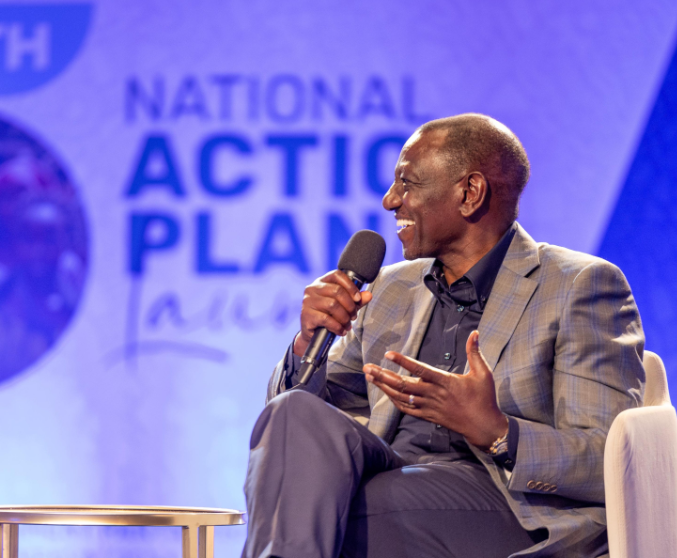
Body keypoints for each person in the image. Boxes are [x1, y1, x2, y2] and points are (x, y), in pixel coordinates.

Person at [242, 114, 645, 558]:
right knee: (294, 414)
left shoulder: (578, 285)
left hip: (508, 505)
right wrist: (307, 344)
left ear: (469, 194)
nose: (389, 200)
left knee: (364, 502)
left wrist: (495, 430)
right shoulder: (392, 288)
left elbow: (611, 459)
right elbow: (299, 434)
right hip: (399, 473)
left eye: (407, 184)